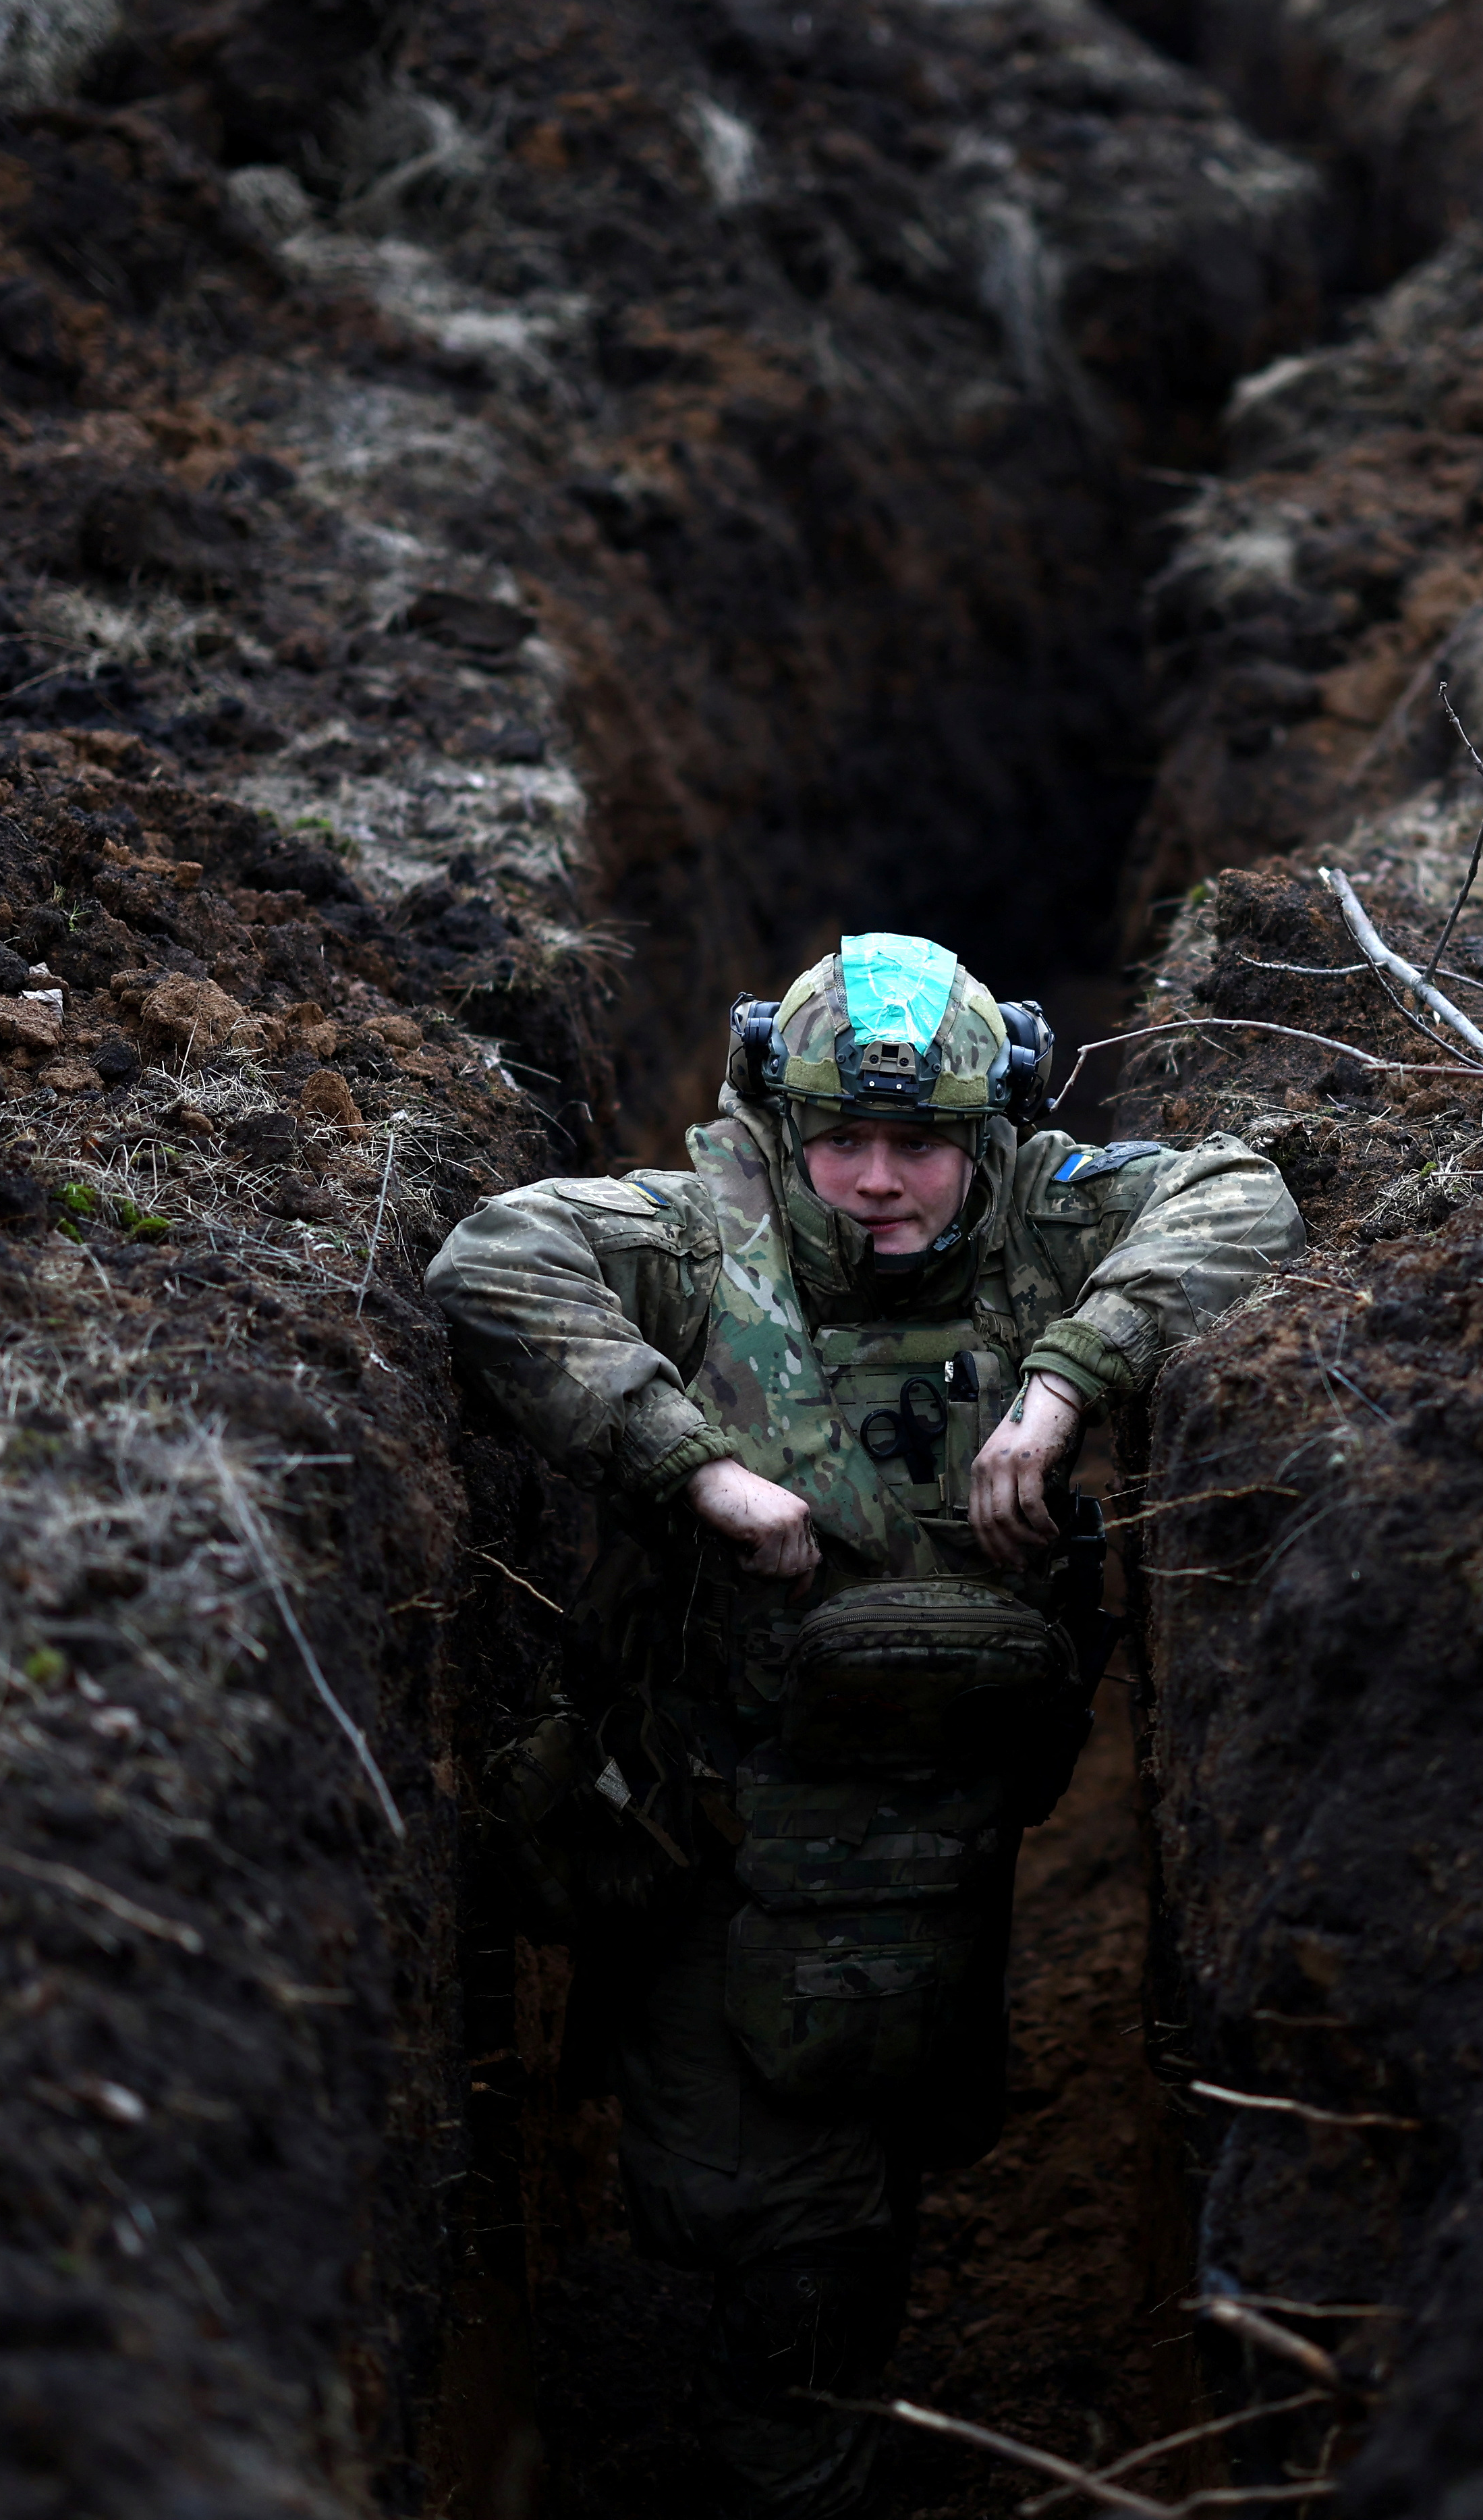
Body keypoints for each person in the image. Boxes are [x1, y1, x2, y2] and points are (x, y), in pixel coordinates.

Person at [426, 933, 1304, 2519]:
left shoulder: (1043, 1215)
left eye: (922, 1147)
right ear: (781, 1122)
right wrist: (692, 1461)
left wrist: (1066, 1378)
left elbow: (1247, 1194)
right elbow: (490, 1259)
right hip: (719, 1836)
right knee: (768, 2228)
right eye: (843, 1140)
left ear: (992, 1134)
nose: (880, 1181)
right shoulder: (698, 1235)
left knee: (887, 2156)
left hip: (942, 1839)